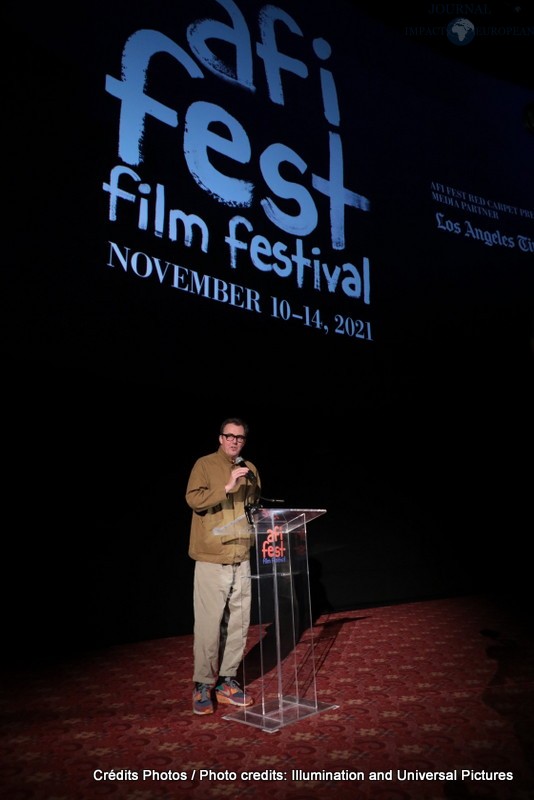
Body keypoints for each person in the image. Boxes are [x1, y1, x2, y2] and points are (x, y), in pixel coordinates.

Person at [185, 417, 261, 715]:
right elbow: (194, 500)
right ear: (220, 438)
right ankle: (202, 683)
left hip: (241, 553)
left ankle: (227, 680)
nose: (234, 441)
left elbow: (253, 506)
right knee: (209, 624)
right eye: (229, 436)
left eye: (239, 438)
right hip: (212, 555)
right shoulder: (204, 465)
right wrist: (228, 487)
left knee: (240, 623)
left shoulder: (251, 469)